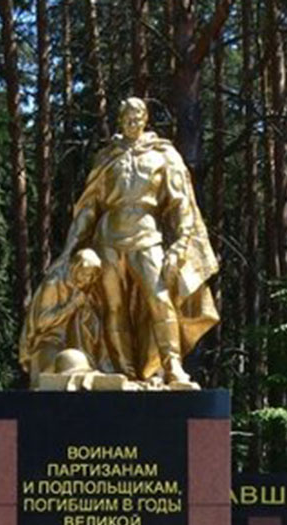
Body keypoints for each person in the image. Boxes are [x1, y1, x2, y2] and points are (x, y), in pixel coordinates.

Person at [50, 97, 219, 389]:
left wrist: (180, 244)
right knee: (113, 307)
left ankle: (173, 366)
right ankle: (124, 371)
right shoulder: (107, 157)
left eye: (137, 116)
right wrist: (69, 249)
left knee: (160, 299)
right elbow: (89, 207)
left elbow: (180, 204)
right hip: (108, 239)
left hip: (147, 236)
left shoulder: (163, 155)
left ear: (145, 119)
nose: (132, 121)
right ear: (120, 120)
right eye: (127, 116)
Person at [18, 248, 108, 381]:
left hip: (75, 342)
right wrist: (72, 306)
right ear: (75, 267)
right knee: (60, 369)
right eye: (84, 274)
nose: (87, 279)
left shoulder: (84, 287)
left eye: (90, 276)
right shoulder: (54, 283)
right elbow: (42, 322)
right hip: (49, 340)